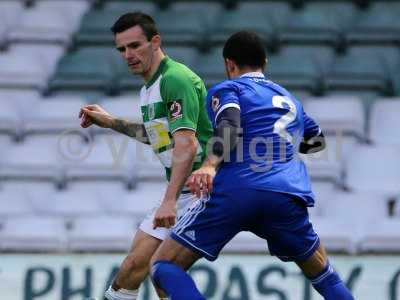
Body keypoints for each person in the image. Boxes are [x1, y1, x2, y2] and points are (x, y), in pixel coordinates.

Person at [149, 31, 355, 300]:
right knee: (324, 275)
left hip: (237, 190)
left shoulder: (229, 89)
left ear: (229, 64)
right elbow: (316, 142)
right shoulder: (290, 99)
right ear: (265, 63)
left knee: (164, 265)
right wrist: (280, 153)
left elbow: (230, 125)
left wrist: (210, 165)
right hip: (286, 195)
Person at [79, 12, 213, 300]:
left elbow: (186, 145)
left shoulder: (174, 79)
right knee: (146, 274)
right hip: (185, 191)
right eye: (122, 49)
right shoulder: (149, 88)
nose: (128, 54)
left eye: (135, 46)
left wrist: (169, 200)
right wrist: (112, 122)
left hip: (200, 190)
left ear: (155, 42)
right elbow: (160, 136)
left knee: (150, 269)